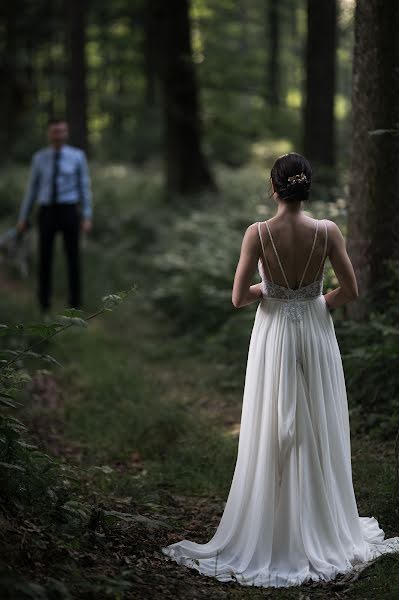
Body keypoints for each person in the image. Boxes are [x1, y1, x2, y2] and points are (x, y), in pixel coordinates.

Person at [161, 152, 399, 587]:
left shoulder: (258, 233)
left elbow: (238, 297)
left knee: (274, 422)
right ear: (307, 188)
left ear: (274, 188)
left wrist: (268, 288)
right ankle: (321, 522)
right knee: (317, 420)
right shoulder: (327, 232)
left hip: (274, 332)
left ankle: (275, 525)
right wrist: (318, 302)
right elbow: (351, 290)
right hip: (314, 328)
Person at [16, 118, 92, 316]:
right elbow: (32, 189)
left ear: (66, 133)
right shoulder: (39, 158)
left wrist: (86, 215)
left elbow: (84, 186)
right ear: (49, 134)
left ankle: (75, 305)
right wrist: (23, 217)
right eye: (54, 132)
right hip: (47, 212)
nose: (57, 135)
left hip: (69, 211)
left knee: (73, 258)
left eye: (61, 131)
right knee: (45, 258)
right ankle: (44, 304)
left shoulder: (77, 156)